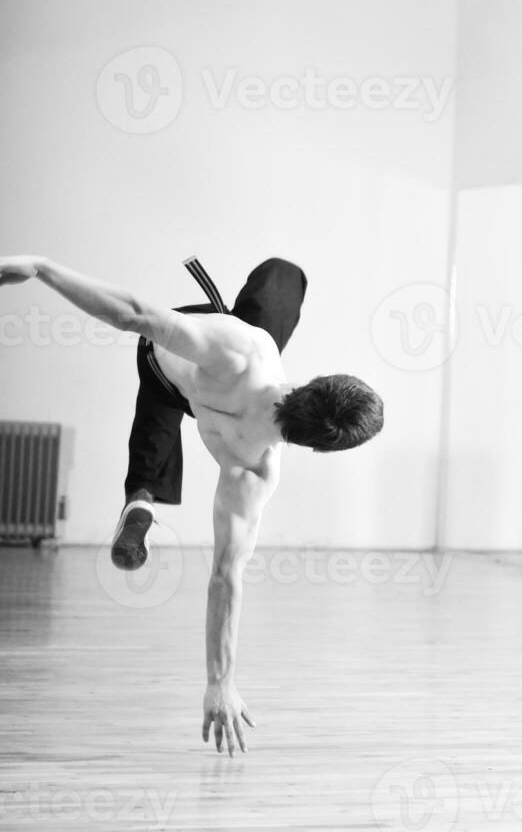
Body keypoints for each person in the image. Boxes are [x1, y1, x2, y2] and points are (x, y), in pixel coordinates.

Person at [0, 254, 384, 756]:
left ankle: (143, 492)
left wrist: (42, 269)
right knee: (167, 411)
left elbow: (134, 313)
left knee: (278, 281)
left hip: (175, 358)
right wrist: (219, 682)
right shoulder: (256, 469)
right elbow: (226, 578)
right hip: (195, 398)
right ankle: (142, 496)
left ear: (319, 380)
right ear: (316, 447)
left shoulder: (244, 349)